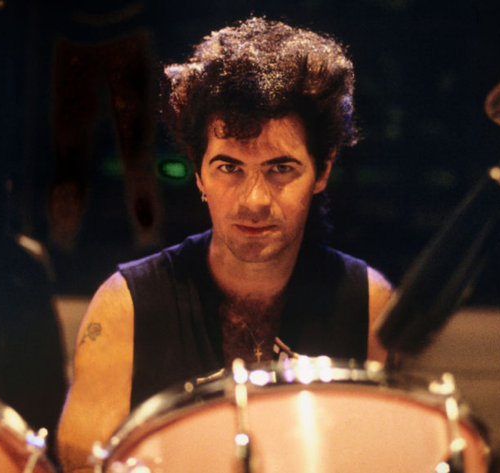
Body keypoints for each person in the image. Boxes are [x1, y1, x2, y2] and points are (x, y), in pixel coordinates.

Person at [56, 17, 394, 472]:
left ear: (323, 170)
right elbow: (82, 465)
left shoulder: (369, 305)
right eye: (229, 168)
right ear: (197, 173)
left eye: (280, 169)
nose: (254, 200)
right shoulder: (124, 309)